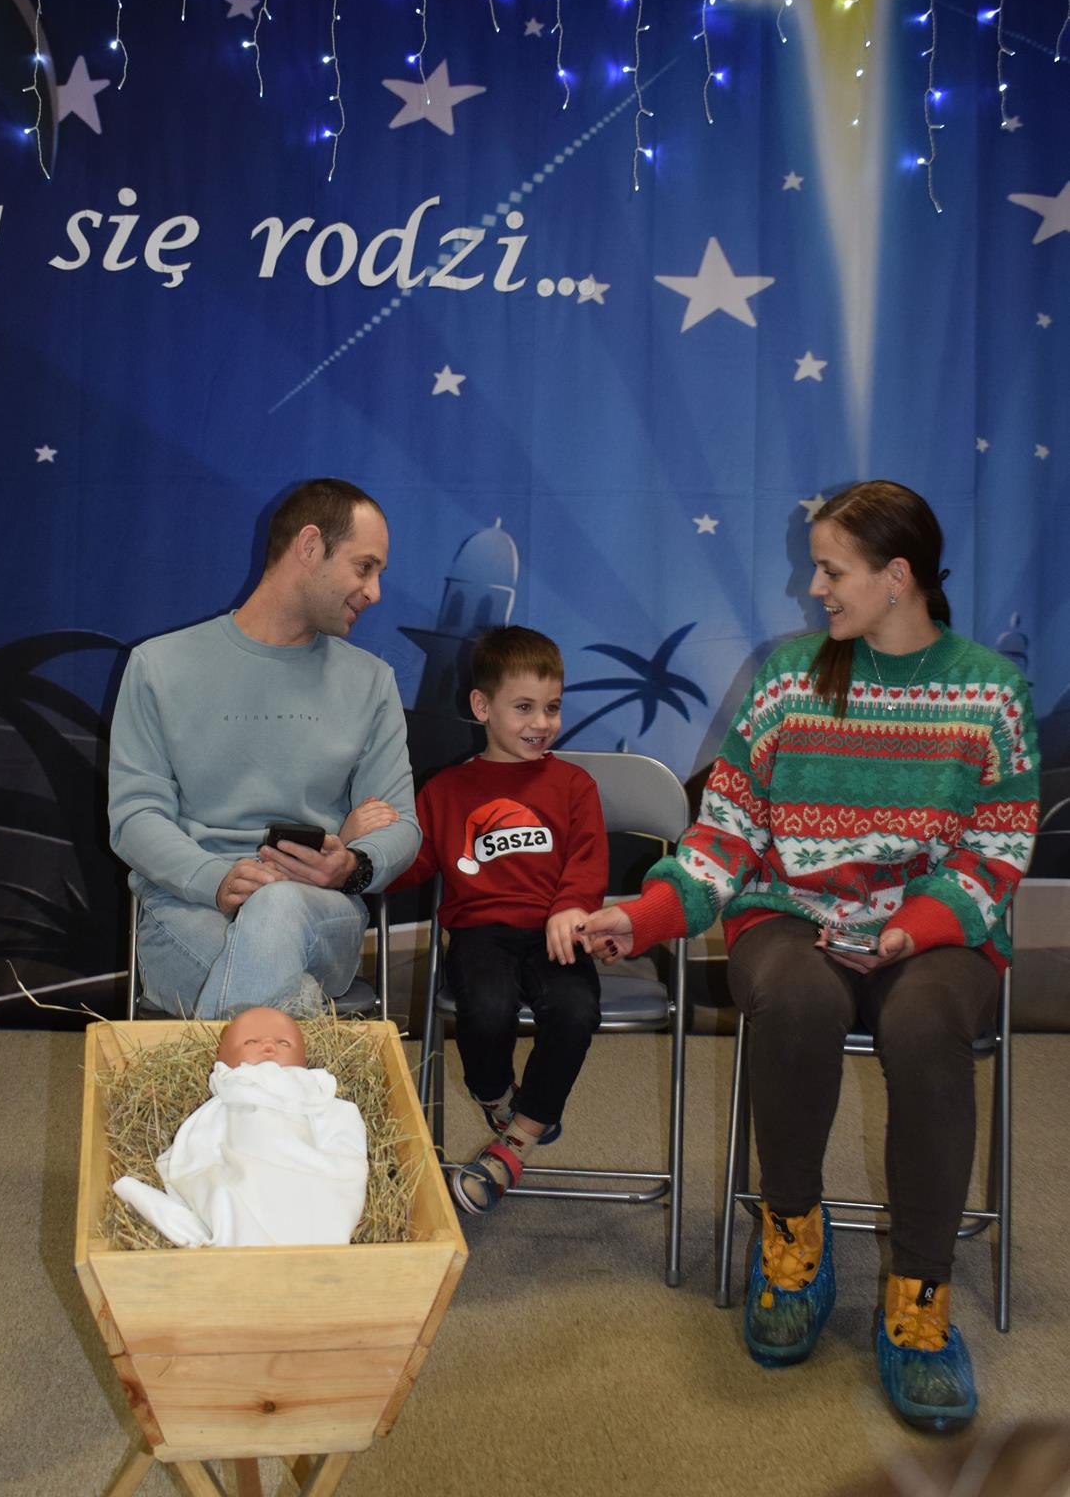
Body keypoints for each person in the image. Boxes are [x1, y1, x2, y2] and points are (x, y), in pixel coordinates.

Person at [580, 481, 1039, 1432]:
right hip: (789, 915)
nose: (815, 588)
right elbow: (726, 834)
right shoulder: (792, 678)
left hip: (934, 932)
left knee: (924, 1027)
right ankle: (791, 1243)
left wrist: (911, 928)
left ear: (897, 577)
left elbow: (996, 851)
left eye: (832, 570)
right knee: (795, 1004)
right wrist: (649, 914)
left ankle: (920, 1299)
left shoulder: (992, 690)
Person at [109, 479, 420, 1018]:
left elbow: (402, 826)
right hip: (188, 907)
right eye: (364, 567)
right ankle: (298, 1019)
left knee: (276, 908)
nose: (375, 592)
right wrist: (215, 880)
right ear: (309, 547)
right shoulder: (158, 666)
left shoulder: (372, 681)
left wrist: (350, 867)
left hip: (320, 910)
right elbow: (135, 817)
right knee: (263, 971)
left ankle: (234, 1064)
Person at [388, 626, 608, 1216]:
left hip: (556, 931)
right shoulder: (446, 790)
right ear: (482, 707)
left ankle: (517, 1141)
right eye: (524, 707)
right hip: (480, 932)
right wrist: (364, 858)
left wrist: (571, 906)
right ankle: (496, 1096)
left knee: (575, 1008)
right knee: (485, 1009)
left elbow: (588, 859)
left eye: (552, 707)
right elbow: (412, 865)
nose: (542, 722)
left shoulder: (574, 785)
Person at [112, 1006, 368, 1247]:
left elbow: (344, 1139)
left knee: (311, 1205)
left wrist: (335, 1171)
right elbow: (201, 1148)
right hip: (247, 1175)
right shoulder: (228, 1100)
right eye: (251, 1042)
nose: (268, 1045)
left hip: (308, 1179)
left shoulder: (315, 1097)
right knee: (226, 1194)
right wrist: (201, 1176)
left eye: (283, 1043)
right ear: (224, 1061)